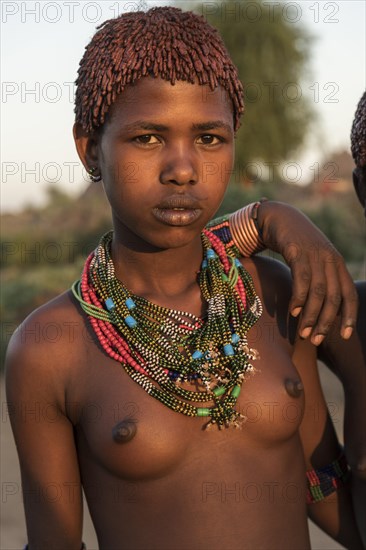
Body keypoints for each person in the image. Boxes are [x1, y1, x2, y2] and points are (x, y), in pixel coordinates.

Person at [5, 7, 362, 549]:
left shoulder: (271, 294)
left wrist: (276, 216)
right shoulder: (50, 348)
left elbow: (319, 484)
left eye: (210, 138)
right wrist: (269, 217)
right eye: (147, 138)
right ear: (88, 150)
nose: (183, 168)